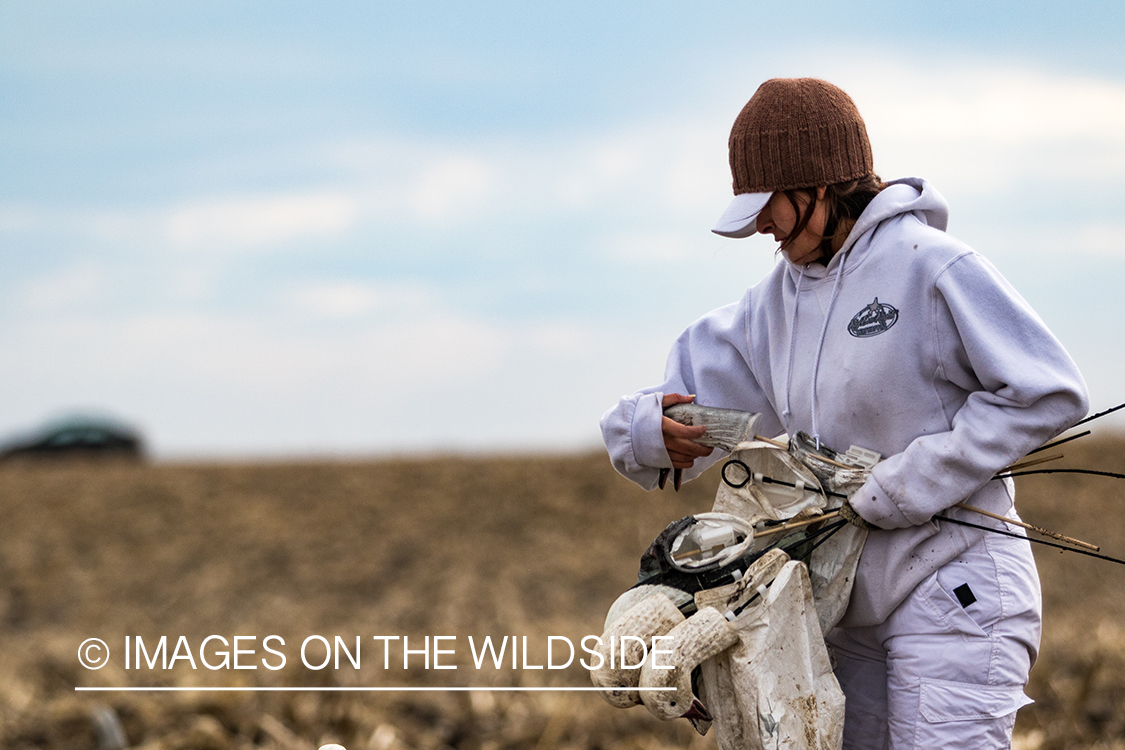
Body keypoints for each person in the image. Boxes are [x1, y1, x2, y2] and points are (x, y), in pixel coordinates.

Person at [600, 78, 1089, 749]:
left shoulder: (932, 267)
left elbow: (1046, 391)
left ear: (820, 187)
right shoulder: (775, 300)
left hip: (955, 590)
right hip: (839, 604)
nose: (761, 226)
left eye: (768, 205)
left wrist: (908, 482)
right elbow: (694, 404)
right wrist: (649, 432)